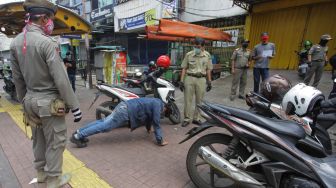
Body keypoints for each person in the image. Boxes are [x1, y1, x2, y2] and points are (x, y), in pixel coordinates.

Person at [10, 0, 82, 187]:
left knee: (38, 139)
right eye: (49, 19)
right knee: (56, 141)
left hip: (30, 101)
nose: (50, 23)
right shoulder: (46, 43)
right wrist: (74, 106)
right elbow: (61, 79)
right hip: (49, 103)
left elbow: (17, 78)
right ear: (43, 18)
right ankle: (54, 179)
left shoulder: (16, 42)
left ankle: (41, 174)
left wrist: (23, 101)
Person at [70, 98, 168, 148]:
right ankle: (78, 137)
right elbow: (156, 122)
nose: (162, 113)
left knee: (102, 121)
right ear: (165, 108)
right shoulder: (158, 105)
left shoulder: (155, 101)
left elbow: (149, 117)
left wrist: (148, 129)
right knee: (105, 126)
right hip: (125, 112)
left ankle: (78, 133)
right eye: (163, 112)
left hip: (124, 106)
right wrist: (160, 140)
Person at [179, 37, 213, 127]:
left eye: (198, 46)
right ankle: (187, 118)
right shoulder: (189, 54)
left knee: (200, 101)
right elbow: (184, 68)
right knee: (187, 100)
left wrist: (209, 81)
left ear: (203, 46)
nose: (196, 48)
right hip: (189, 78)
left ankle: (196, 118)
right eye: (195, 46)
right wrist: (181, 81)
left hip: (201, 79)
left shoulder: (207, 56)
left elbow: (209, 69)